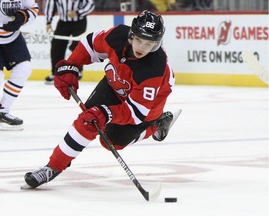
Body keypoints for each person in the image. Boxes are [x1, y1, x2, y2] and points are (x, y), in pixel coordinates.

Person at [23, 10, 181, 188]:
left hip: (146, 107)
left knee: (112, 141)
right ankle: (53, 167)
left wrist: (106, 113)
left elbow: (136, 112)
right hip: (117, 86)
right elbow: (90, 44)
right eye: (139, 40)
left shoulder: (154, 68)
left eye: (149, 44)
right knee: (88, 120)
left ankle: (155, 125)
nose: (142, 48)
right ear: (131, 35)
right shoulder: (117, 35)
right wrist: (71, 65)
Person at [0, 0, 39, 130]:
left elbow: (33, 8)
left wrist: (23, 17)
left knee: (24, 68)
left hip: (13, 37)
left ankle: (2, 111)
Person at [44, 0, 95, 84]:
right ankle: (56, 73)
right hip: (63, 22)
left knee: (77, 46)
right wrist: (48, 22)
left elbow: (90, 4)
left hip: (79, 22)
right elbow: (51, 5)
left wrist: (78, 12)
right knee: (57, 46)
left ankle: (78, 70)